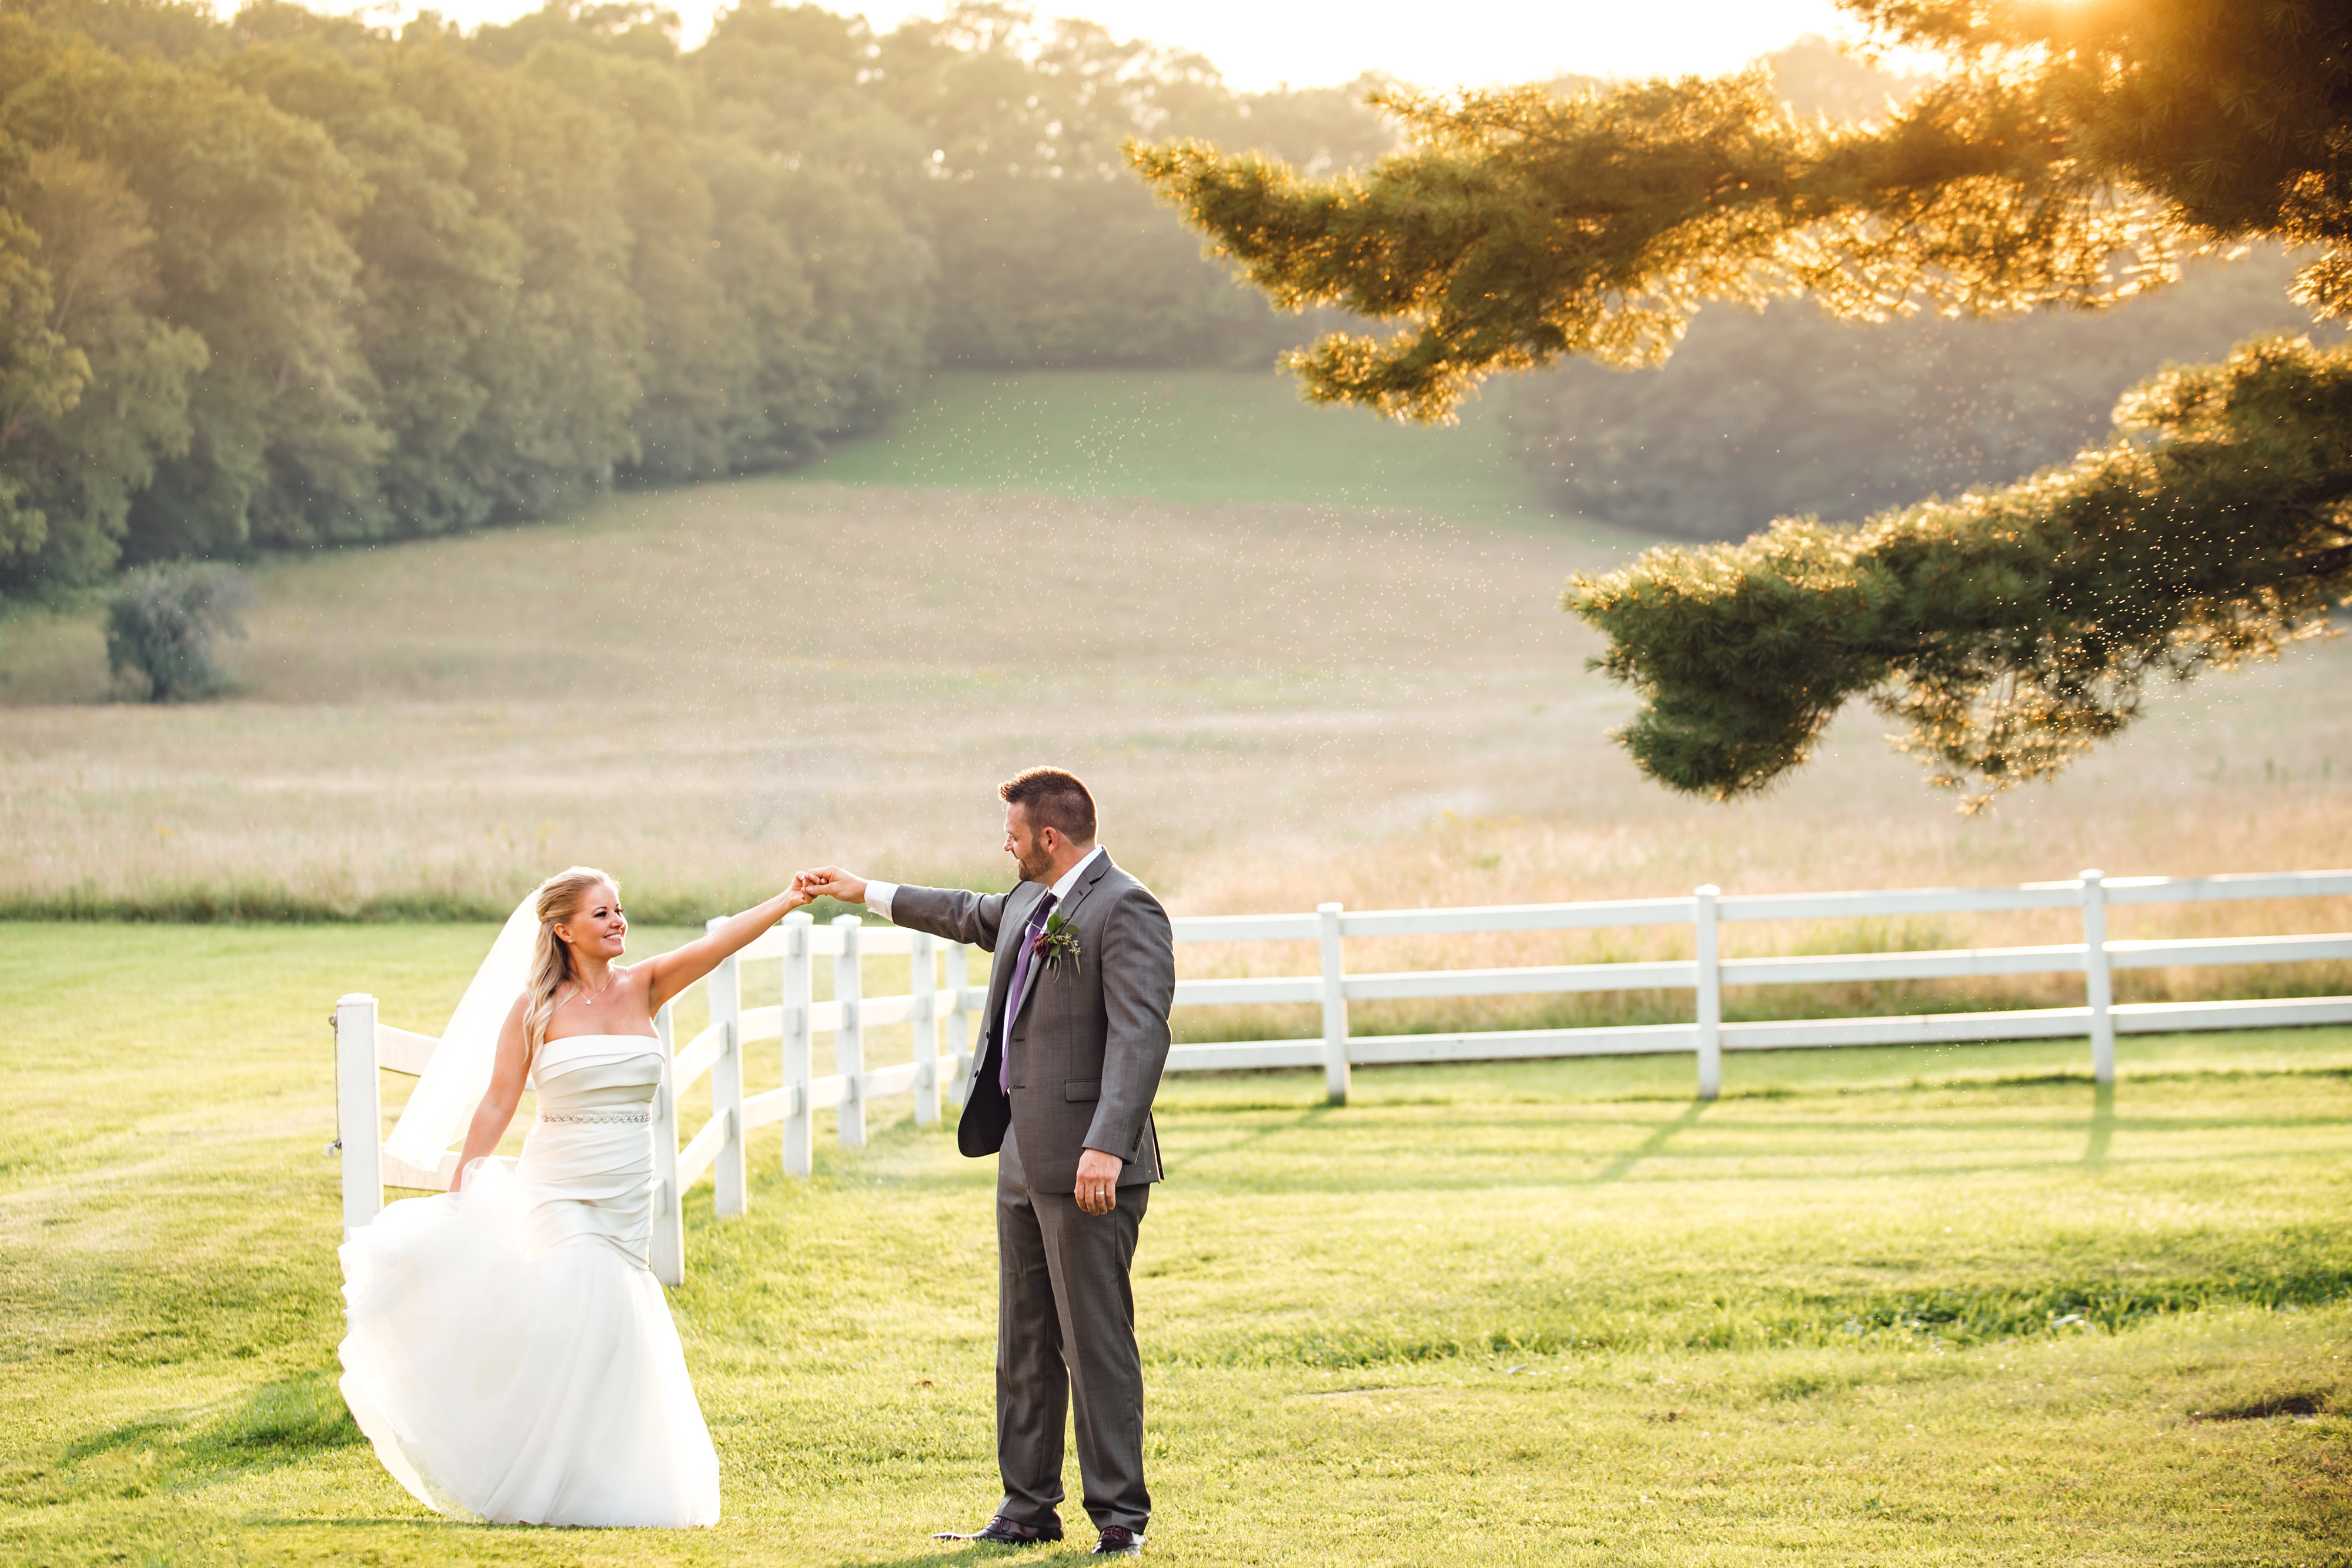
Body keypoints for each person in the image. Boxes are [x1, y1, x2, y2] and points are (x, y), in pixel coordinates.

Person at [336, 865, 813, 1527]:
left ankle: (600, 1477)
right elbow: (500, 1098)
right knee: (589, 1301)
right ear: (563, 929)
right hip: (558, 1181)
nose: (618, 921)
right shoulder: (534, 1008)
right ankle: (533, 1477)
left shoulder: (645, 985)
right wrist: (463, 1182)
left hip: (626, 1183)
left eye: (619, 910)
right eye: (601, 914)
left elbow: (720, 944)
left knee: (611, 1327)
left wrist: (787, 900)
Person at [795, 766, 1175, 1558]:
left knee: (1093, 1337)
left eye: (1011, 831)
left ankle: (1120, 1516)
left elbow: (1142, 1036)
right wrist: (863, 889)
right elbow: (961, 912)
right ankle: (1027, 1504)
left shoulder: (1126, 907)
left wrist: (1107, 1142)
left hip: (1089, 1167)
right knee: (1025, 1337)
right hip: (1020, 1158)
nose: (1002, 843)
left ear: (1049, 836)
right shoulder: (1029, 902)